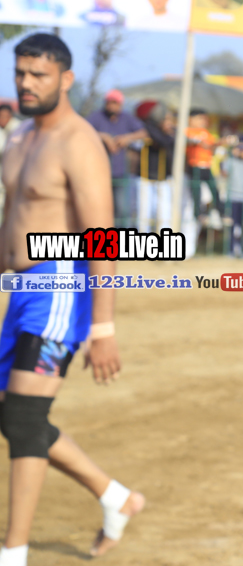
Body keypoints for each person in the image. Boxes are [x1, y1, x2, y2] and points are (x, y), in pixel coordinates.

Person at [3, 34, 144, 564]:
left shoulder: (79, 142)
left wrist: (102, 328)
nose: (26, 83)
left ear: (66, 79)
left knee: (22, 420)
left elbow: (102, 236)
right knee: (13, 415)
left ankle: (13, 552)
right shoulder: (19, 138)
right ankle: (116, 497)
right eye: (20, 73)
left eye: (38, 75)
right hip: (21, 291)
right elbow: (12, 221)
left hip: (59, 285)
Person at [86, 89, 146, 228]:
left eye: (115, 102)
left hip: (121, 172)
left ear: (120, 104)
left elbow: (143, 132)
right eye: (109, 102)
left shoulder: (127, 118)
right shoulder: (96, 117)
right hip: (98, 173)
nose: (111, 105)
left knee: (123, 210)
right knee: (98, 209)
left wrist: (127, 138)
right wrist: (102, 137)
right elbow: (82, 129)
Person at [134, 101, 175, 233]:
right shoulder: (148, 128)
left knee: (164, 213)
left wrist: (168, 132)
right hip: (145, 176)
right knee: (144, 213)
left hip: (164, 177)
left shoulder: (171, 133)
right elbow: (158, 138)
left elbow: (166, 142)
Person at [185, 110, 222, 227]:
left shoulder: (205, 133)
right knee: (197, 191)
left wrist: (221, 143)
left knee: (214, 189)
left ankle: (221, 212)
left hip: (207, 165)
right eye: (200, 118)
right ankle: (198, 214)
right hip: (194, 165)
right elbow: (189, 141)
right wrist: (200, 143)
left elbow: (213, 145)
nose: (203, 121)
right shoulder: (187, 131)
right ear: (191, 119)